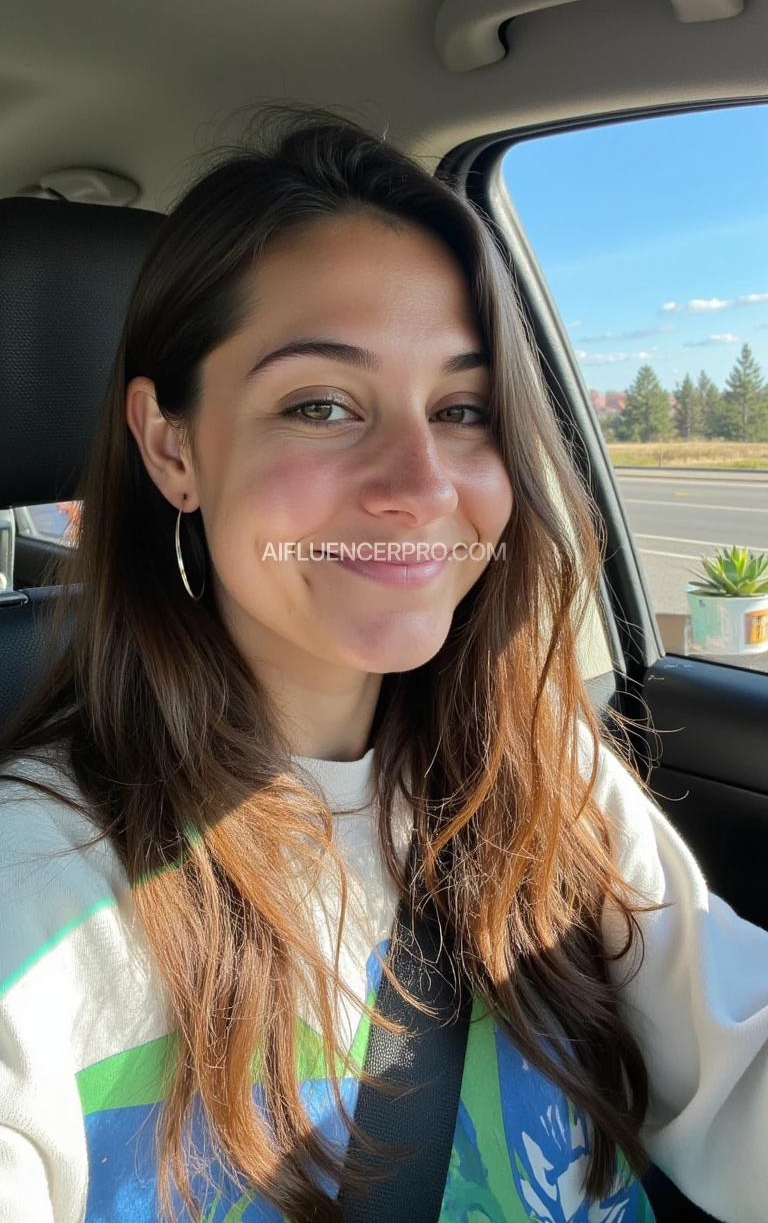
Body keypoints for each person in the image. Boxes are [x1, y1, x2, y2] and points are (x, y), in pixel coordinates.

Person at [0, 106, 766, 1223]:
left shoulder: (546, 773)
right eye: (320, 404)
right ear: (173, 448)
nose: (421, 482)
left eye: (462, 409)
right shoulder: (42, 884)